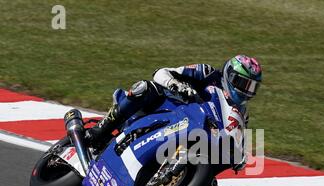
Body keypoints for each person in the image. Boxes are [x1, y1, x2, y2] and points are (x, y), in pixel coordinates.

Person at [86, 55, 262, 154]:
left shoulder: (241, 113)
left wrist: (239, 156)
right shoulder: (207, 73)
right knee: (144, 88)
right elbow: (160, 73)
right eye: (242, 83)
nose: (246, 90)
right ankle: (99, 131)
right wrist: (176, 85)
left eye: (251, 87)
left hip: (193, 135)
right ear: (229, 75)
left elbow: (236, 141)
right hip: (167, 108)